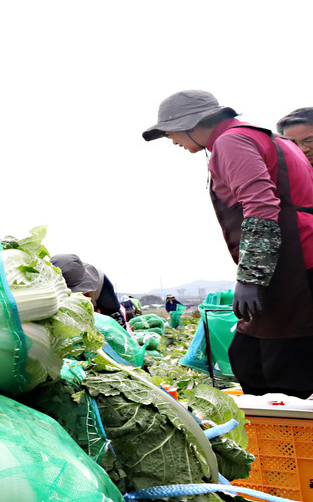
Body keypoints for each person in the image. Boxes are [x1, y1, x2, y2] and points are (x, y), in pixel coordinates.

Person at [144, 89, 313, 397]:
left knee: (270, 369)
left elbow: (260, 205)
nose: (173, 141)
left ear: (192, 124)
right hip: (298, 258)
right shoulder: (271, 139)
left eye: (171, 133)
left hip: (291, 264)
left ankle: (289, 433)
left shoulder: (231, 141)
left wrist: (250, 278)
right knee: (263, 358)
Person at [51, 253, 128, 324]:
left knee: (113, 314)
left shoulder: (99, 283)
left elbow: (113, 310)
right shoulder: (51, 280)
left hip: (102, 293)